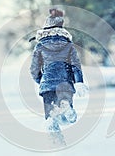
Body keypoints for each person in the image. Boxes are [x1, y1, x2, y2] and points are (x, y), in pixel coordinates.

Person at [29, 8, 88, 137]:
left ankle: (57, 148)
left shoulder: (39, 46)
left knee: (52, 120)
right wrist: (79, 82)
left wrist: (43, 80)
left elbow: (34, 70)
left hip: (47, 87)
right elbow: (75, 66)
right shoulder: (69, 45)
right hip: (65, 85)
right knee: (68, 119)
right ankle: (66, 108)